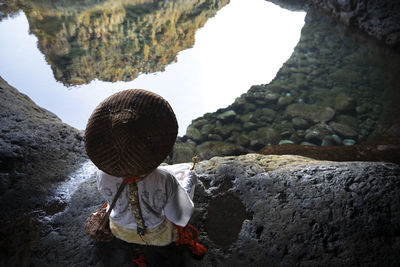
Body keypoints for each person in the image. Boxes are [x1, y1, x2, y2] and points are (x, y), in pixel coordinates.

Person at [84, 89, 205, 266]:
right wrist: (189, 181)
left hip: (120, 230)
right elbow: (180, 216)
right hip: (159, 236)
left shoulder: (102, 174)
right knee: (187, 177)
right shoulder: (164, 179)